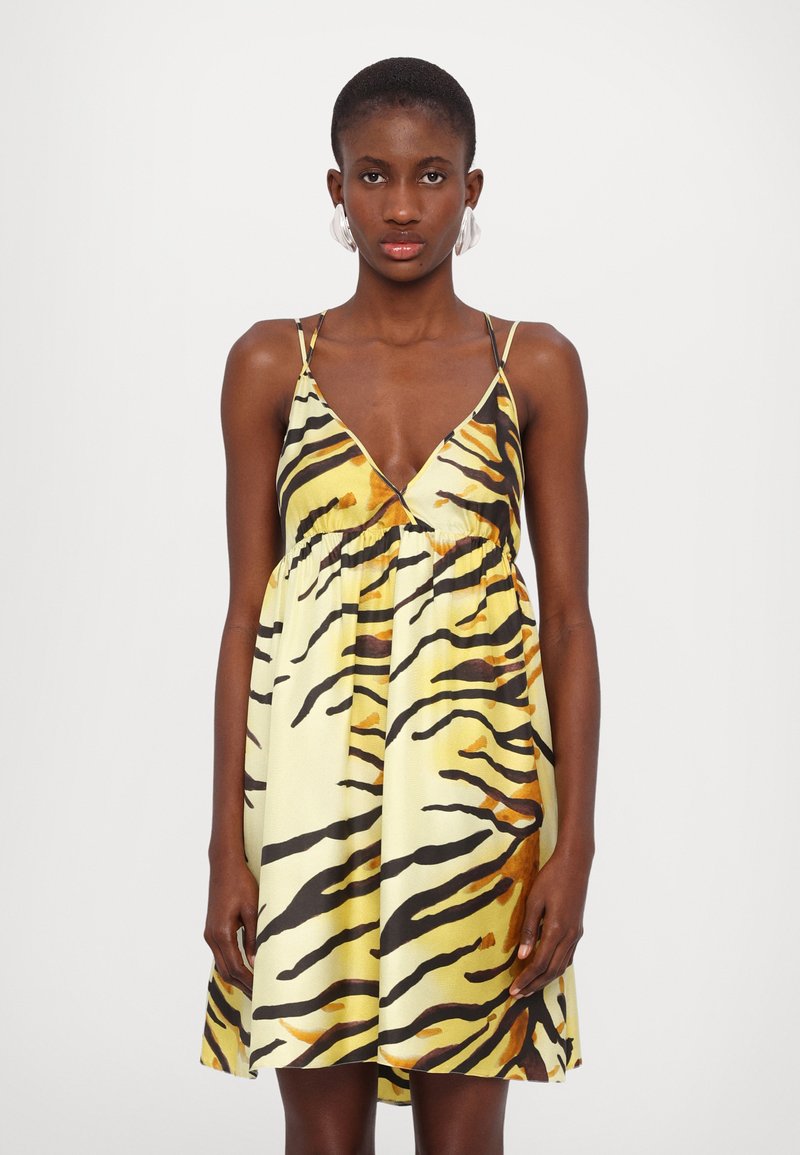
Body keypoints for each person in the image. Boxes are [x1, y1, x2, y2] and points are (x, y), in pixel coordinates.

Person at [199, 56, 600, 1155]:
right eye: (373, 176)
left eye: (431, 175)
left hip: (480, 802)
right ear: (336, 187)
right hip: (304, 800)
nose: (404, 206)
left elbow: (567, 620)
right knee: (321, 1140)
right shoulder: (270, 362)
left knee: (463, 1142)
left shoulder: (536, 366)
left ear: (473, 187)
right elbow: (244, 616)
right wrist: (227, 846)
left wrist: (574, 846)